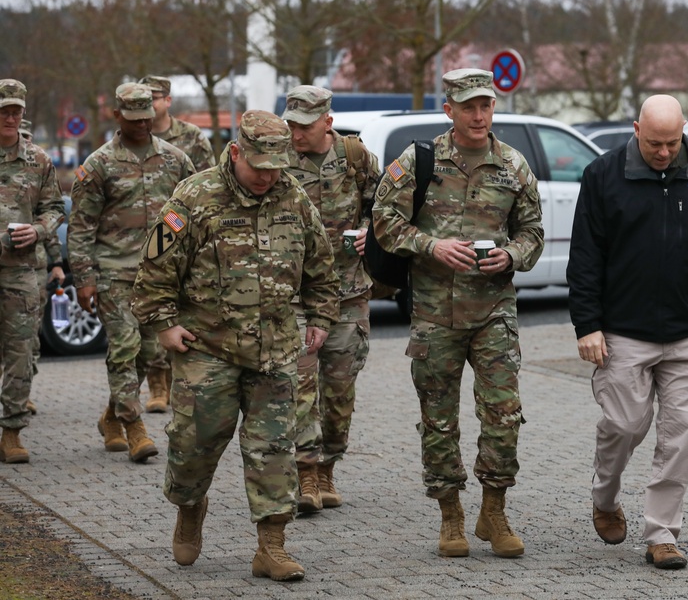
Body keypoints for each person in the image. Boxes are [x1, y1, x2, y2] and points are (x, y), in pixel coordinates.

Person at [131, 110, 341, 582]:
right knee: (194, 446)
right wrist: (164, 326)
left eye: (276, 166)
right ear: (235, 152)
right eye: (259, 166)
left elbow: (322, 269)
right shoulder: (193, 197)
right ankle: (189, 506)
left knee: (274, 449)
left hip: (276, 351)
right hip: (208, 350)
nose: (268, 176)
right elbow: (153, 275)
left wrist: (322, 318)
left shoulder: (295, 196)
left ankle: (272, 546)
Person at [567, 94, 688, 570]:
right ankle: (605, 497)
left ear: (684, 131)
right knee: (624, 426)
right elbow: (585, 259)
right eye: (654, 143)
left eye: (672, 142)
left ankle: (662, 533)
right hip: (625, 331)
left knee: (681, 436)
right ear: (635, 129)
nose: (664, 152)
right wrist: (588, 325)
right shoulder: (604, 176)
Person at [372, 68, 544, 559]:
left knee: (504, 416)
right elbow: (384, 220)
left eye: (485, 105)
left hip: (494, 312)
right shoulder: (419, 161)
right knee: (439, 420)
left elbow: (532, 232)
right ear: (449, 110)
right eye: (468, 106)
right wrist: (430, 246)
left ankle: (495, 509)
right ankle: (450, 514)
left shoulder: (513, 165)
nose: (478, 115)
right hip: (434, 314)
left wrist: (512, 256)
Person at [68, 82, 195, 463]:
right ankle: (133, 425)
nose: (143, 124)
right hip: (113, 271)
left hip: (159, 276)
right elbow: (81, 226)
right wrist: (84, 278)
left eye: (147, 117)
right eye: (134, 118)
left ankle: (111, 416)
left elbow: (194, 211)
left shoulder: (175, 160)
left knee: (149, 353)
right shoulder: (99, 165)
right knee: (124, 348)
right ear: (118, 116)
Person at [282, 85, 381, 513]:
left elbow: (386, 207)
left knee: (339, 391)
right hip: (294, 295)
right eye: (291, 124)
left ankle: (327, 468)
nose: (296, 133)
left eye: (304, 126)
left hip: (348, 291)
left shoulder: (355, 157)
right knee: (301, 387)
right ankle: (305, 475)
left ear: (328, 121)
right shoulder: (279, 159)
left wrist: (369, 233)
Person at [138, 74, 216, 412]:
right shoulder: (135, 133)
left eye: (154, 98)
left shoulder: (191, 138)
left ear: (168, 101)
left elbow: (213, 183)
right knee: (150, 314)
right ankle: (157, 384)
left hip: (185, 238)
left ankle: (175, 381)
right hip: (145, 239)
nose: (150, 104)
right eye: (144, 98)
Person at [0, 80, 65, 464]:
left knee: (21, 351)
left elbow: (55, 207)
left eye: (16, 111)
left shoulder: (38, 160)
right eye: (4, 110)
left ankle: (11, 430)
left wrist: (38, 230)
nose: (10, 117)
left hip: (21, 270)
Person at [20, 118, 66, 418]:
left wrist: (57, 263)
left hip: (29, 266)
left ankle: (21, 394)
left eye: (27, 136)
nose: (23, 140)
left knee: (28, 337)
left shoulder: (37, 166)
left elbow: (49, 219)